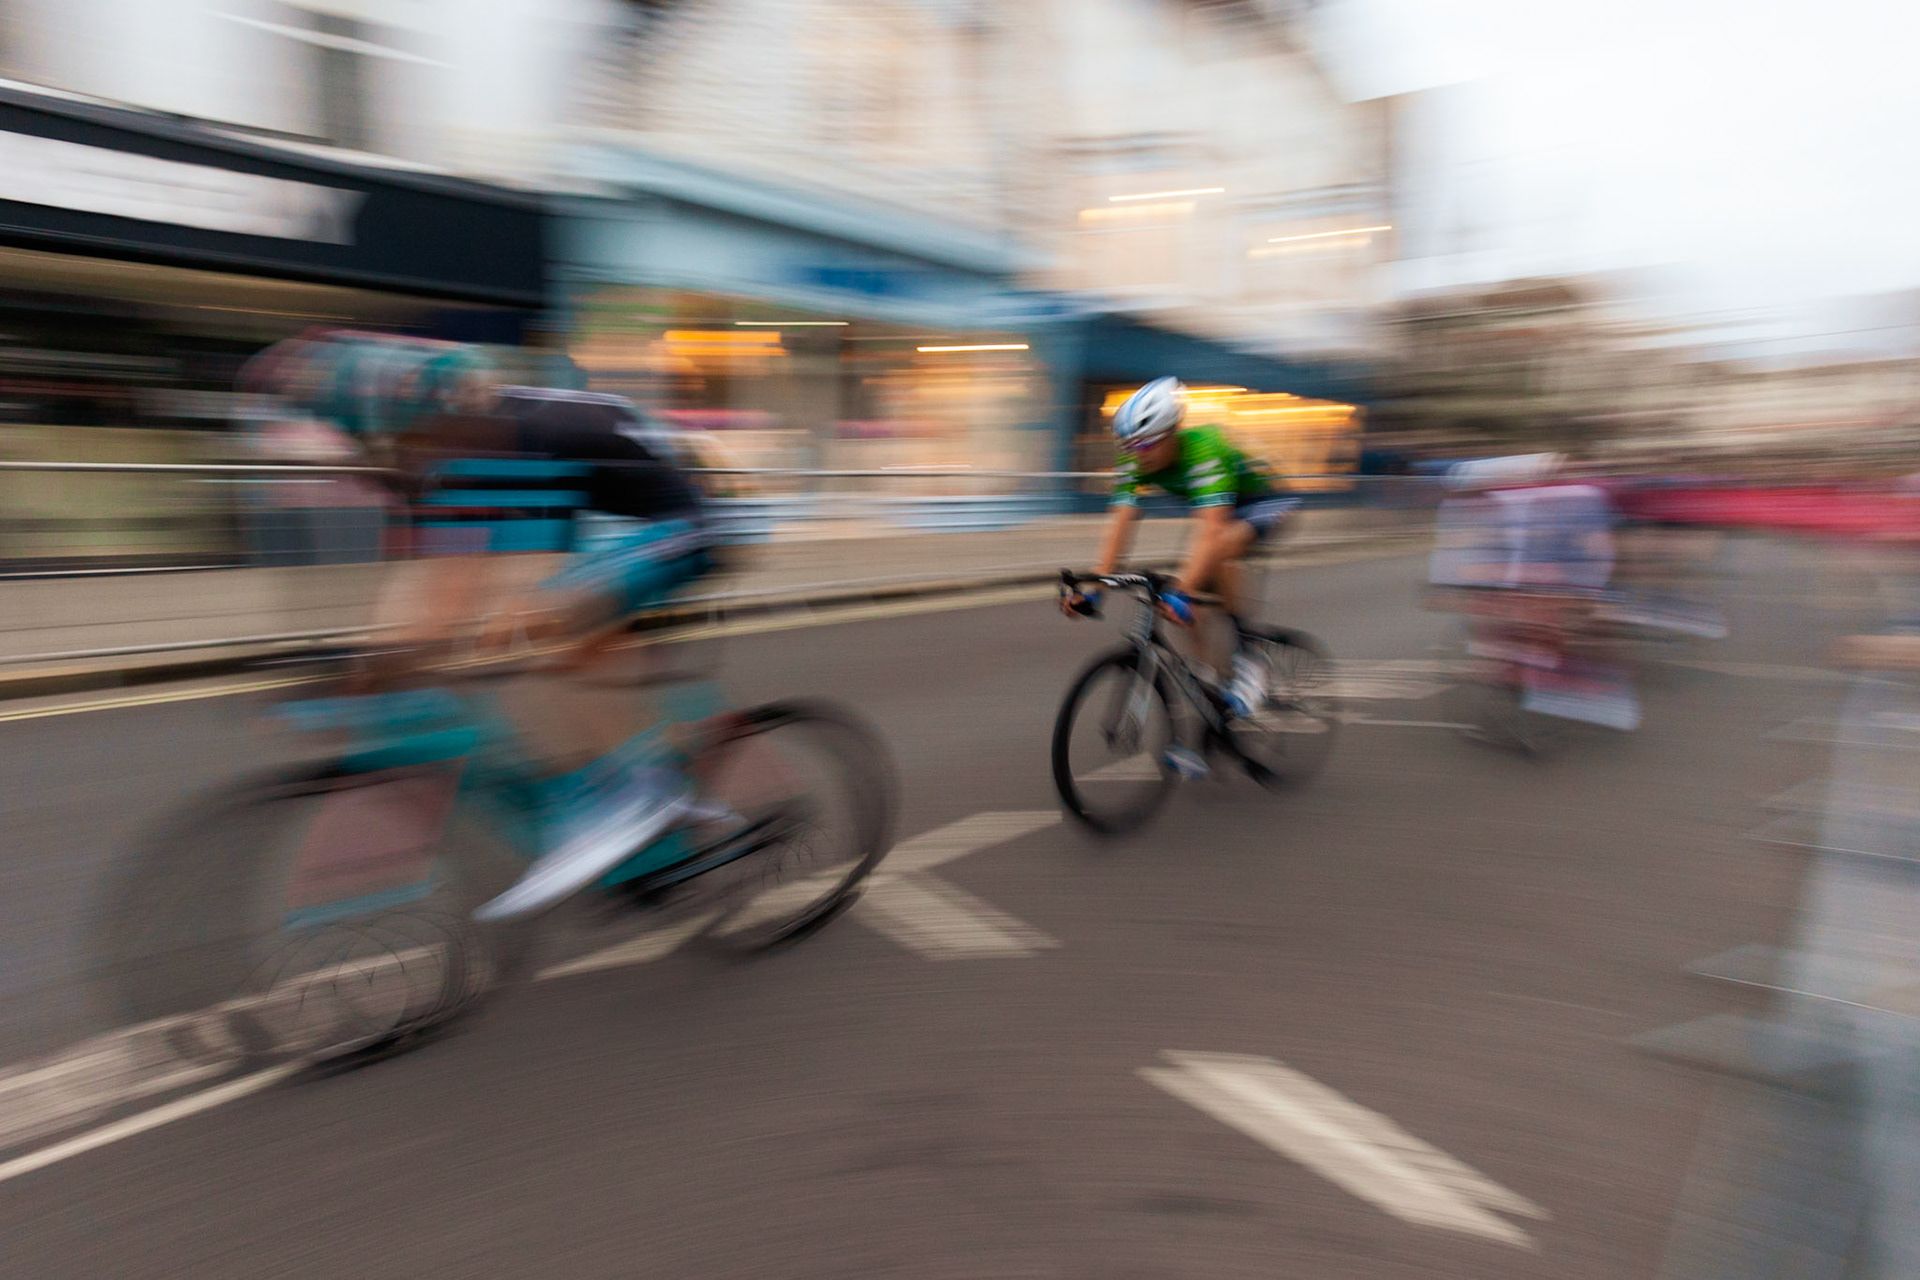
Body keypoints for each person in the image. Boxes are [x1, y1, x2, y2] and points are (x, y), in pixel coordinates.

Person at [244, 333, 724, 921]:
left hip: (689, 526)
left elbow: (466, 596)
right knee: (539, 635)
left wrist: (376, 675)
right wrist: (362, 667)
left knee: (538, 627)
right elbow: (423, 584)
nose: (390, 457)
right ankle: (645, 794)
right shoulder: (452, 444)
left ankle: (626, 801)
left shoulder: (512, 440)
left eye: (398, 440)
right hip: (615, 517)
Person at [1062, 376, 1299, 723]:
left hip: (1264, 502)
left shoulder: (1205, 447)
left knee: (1211, 556)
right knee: (1188, 605)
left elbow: (1212, 529)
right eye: (1127, 447)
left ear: (1171, 433)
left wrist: (1184, 591)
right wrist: (1097, 589)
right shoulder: (1134, 458)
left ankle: (1250, 657)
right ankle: (1210, 692)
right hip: (1222, 512)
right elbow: (1120, 525)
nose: (1135, 456)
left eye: (1144, 447)